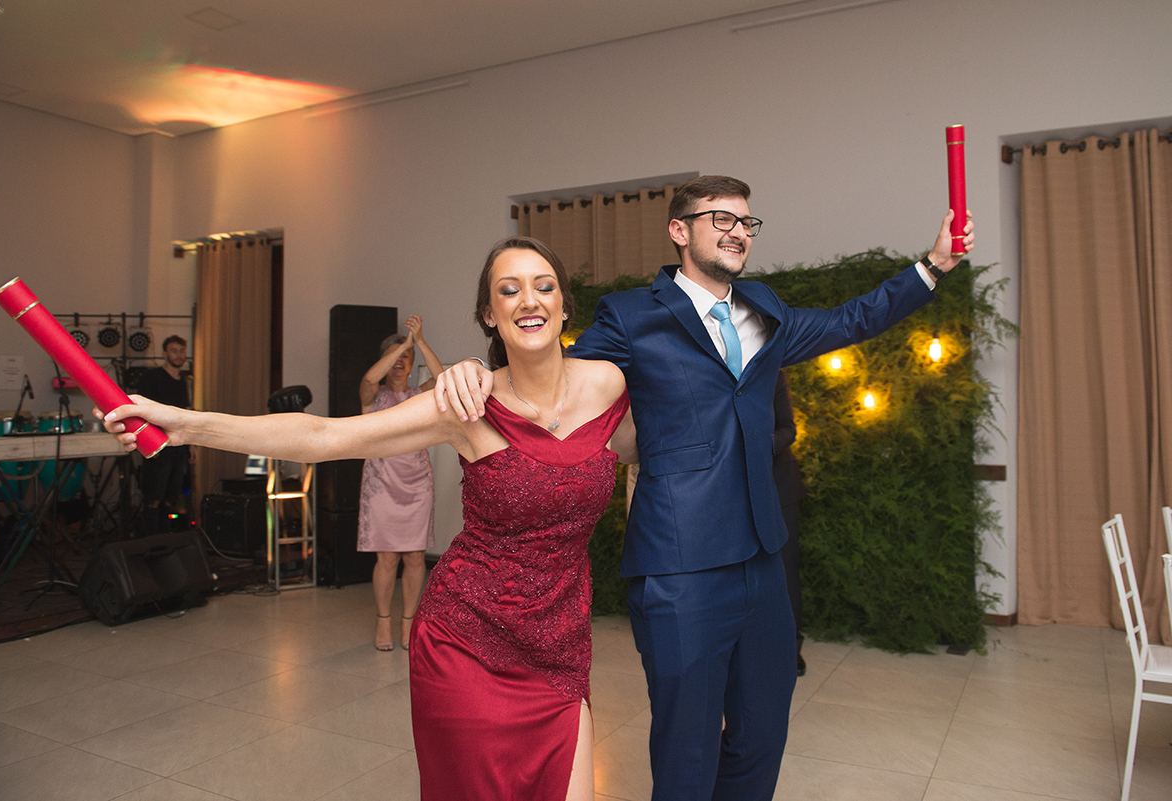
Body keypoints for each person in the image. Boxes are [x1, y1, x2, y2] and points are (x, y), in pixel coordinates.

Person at [433, 175, 974, 799]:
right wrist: (482, 366)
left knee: (762, 733)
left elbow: (851, 318)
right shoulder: (632, 316)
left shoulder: (764, 309)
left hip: (762, 559)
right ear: (679, 231)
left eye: (746, 222)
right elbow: (555, 364)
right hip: (678, 568)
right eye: (721, 218)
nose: (737, 231)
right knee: (687, 749)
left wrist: (933, 266)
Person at [101, 236, 635, 801]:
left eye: (543, 286)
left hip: (560, 647)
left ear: (564, 306)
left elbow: (670, 445)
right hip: (468, 641)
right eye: (509, 290)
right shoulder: (464, 406)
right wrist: (184, 424)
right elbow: (325, 436)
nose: (529, 300)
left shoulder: (609, 386)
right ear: (489, 313)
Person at [357, 315, 443, 651]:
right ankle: (383, 622)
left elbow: (442, 379)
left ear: (411, 367)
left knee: (415, 556)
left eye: (405, 359)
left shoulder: (419, 396)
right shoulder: (372, 397)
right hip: (382, 483)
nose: (400, 363)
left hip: (417, 484)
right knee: (388, 558)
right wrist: (402, 345)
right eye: (394, 358)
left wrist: (419, 342)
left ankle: (409, 622)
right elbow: (368, 377)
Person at [134, 335, 196, 534]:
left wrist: (191, 444)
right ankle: (151, 540)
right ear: (164, 354)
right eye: (173, 350)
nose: (178, 355)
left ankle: (165, 540)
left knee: (172, 496)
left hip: (179, 446)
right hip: (158, 446)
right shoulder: (152, 378)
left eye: (181, 351)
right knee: (154, 496)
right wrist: (149, 443)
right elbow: (141, 412)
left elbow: (185, 414)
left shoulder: (184, 380)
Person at [772, 369, 807, 677]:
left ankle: (791, 649)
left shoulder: (774, 374)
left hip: (779, 485)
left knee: (785, 569)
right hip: (733, 490)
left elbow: (788, 431)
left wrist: (750, 447)